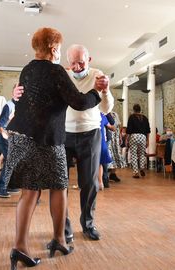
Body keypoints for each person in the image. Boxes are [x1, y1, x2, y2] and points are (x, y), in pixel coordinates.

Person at [4, 27, 108, 269]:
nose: (60, 53)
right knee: (59, 186)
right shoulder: (56, 71)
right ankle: (59, 239)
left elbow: (24, 97)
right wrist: (97, 91)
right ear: (53, 49)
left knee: (29, 192)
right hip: (46, 139)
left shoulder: (27, 69)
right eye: (59, 49)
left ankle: (20, 247)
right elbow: (80, 102)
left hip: (19, 136)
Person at [64, 44, 114, 242]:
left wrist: (106, 91)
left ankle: (88, 224)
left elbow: (106, 108)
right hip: (64, 133)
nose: (76, 67)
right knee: (60, 184)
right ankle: (64, 227)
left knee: (90, 183)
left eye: (81, 62)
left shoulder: (97, 74)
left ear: (89, 59)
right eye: (72, 63)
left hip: (90, 133)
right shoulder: (64, 76)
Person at [0, 97, 19, 198]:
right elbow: (1, 124)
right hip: (5, 137)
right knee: (9, 160)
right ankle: (0, 188)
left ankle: (10, 185)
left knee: (11, 160)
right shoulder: (9, 105)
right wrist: (6, 136)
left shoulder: (19, 105)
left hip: (12, 137)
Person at [126, 104, 151, 178]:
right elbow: (148, 131)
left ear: (134, 110)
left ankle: (136, 172)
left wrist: (127, 139)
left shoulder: (131, 117)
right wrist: (147, 140)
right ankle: (142, 168)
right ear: (140, 110)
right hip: (143, 137)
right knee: (142, 154)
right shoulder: (145, 118)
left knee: (133, 154)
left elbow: (129, 130)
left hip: (134, 136)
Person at [108, 111, 126, 182]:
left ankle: (113, 174)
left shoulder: (115, 114)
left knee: (115, 155)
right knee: (109, 154)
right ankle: (105, 174)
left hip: (115, 138)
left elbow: (118, 126)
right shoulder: (102, 113)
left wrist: (120, 137)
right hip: (108, 136)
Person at [98, 113, 115, 189]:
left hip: (90, 140)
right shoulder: (102, 115)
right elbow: (112, 126)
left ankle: (99, 182)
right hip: (101, 141)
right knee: (101, 163)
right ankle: (101, 182)